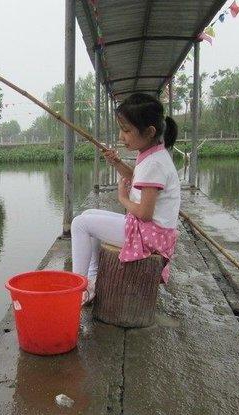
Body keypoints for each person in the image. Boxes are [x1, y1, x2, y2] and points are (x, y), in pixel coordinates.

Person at [71, 93, 181, 304]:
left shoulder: (154, 164)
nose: (122, 137)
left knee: (80, 224)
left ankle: (78, 287)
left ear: (149, 132)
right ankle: (90, 280)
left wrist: (122, 197)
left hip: (149, 236)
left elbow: (145, 214)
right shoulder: (152, 153)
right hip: (151, 231)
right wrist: (117, 163)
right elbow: (136, 178)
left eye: (127, 130)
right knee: (88, 214)